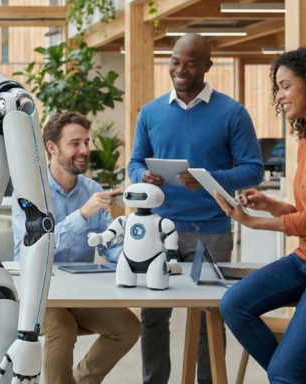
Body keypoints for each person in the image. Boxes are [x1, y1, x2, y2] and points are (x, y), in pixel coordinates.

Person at [126, 33, 264, 384]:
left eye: (190, 63)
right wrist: (143, 174)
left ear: (207, 67)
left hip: (211, 231)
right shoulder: (151, 112)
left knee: (209, 318)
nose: (180, 69)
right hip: (160, 232)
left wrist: (206, 178)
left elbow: (253, 169)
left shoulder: (232, 112)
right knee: (153, 317)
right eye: (175, 60)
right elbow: (134, 164)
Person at [215, 45, 306, 384]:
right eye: (278, 87)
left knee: (283, 372)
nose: (280, 95)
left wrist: (252, 222)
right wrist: (271, 206)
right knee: (234, 304)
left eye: (286, 85)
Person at [12, 112, 138, 384]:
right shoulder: (30, 192)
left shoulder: (91, 188)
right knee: (61, 328)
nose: (84, 150)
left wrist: (135, 253)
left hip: (79, 293)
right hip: (38, 293)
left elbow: (107, 244)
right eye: (75, 143)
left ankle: (81, 381)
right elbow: (34, 246)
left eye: (86, 142)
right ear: (52, 148)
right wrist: (81, 215)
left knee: (128, 326)